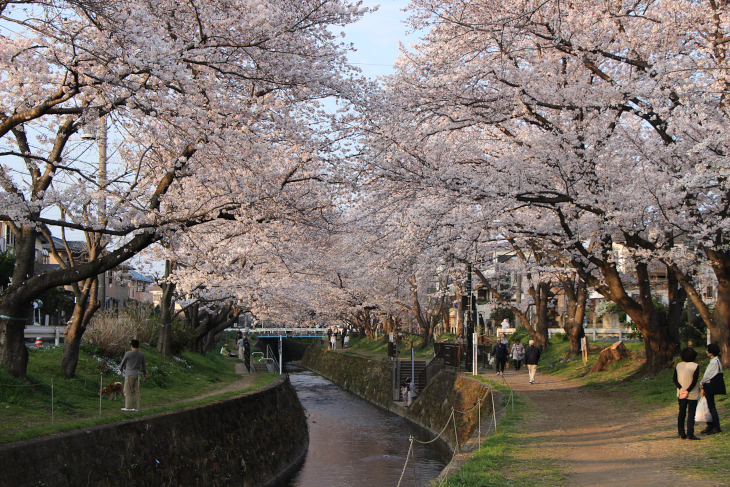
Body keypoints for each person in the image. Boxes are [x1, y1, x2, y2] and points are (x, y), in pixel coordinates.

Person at [673, 347, 701, 440]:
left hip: (681, 393)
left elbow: (674, 379)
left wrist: (681, 389)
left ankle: (681, 433)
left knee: (682, 412)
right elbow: (694, 380)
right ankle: (690, 434)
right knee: (691, 413)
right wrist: (688, 390)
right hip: (692, 393)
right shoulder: (695, 366)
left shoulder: (678, 365)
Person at [700, 343, 723, 435]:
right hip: (709, 384)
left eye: (707, 350)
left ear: (711, 352)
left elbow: (708, 375)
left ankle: (716, 427)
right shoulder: (714, 361)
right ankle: (711, 425)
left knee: (711, 406)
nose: (706, 351)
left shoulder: (714, 362)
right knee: (709, 406)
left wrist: (702, 382)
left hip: (709, 384)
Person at [119, 339, 147, 412]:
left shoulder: (128, 353)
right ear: (138, 346)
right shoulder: (141, 355)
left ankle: (128, 407)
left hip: (129, 374)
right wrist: (145, 374)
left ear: (131, 346)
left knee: (127, 391)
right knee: (136, 391)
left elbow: (123, 362)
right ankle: (137, 407)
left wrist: (120, 369)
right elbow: (144, 366)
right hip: (137, 374)